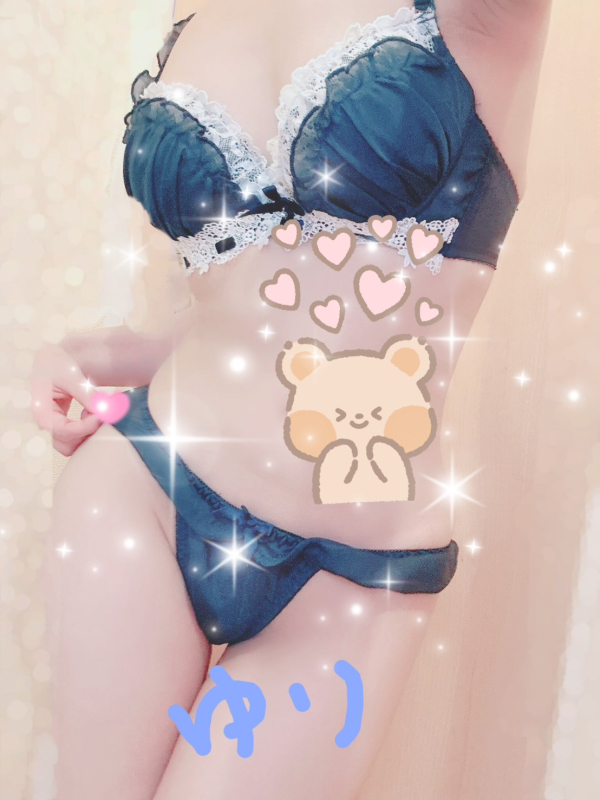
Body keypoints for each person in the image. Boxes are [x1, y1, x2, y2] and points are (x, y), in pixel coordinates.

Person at [33, 0, 552, 797]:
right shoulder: (200, 9)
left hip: (349, 567)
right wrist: (108, 353)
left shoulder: (479, 16)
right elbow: (251, 303)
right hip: (145, 482)